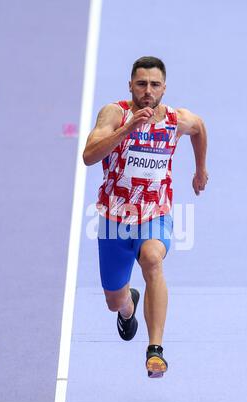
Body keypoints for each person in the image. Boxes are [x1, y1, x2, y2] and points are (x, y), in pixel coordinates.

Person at [83, 56, 208, 378]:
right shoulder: (115, 113)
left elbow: (200, 128)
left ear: (164, 88)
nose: (147, 91)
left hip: (155, 215)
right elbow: (89, 156)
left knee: (153, 258)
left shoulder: (176, 120)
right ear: (131, 86)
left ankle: (155, 350)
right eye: (141, 84)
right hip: (114, 221)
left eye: (154, 85)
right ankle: (128, 308)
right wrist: (128, 128)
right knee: (114, 300)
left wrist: (200, 169)